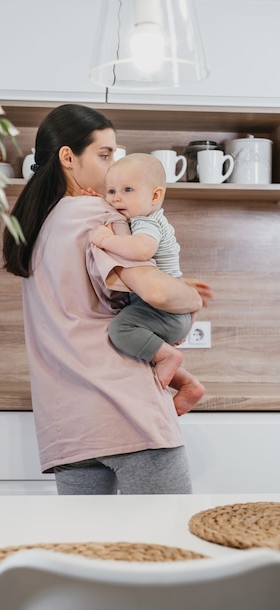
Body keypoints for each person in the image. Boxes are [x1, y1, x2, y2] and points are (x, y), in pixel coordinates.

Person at [3, 104, 212, 496]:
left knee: (88, 550)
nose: (113, 167)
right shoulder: (97, 213)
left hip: (67, 422)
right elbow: (155, 291)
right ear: (68, 157)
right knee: (165, 546)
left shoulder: (35, 225)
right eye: (105, 155)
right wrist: (190, 297)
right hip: (126, 410)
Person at [89, 153, 205, 416]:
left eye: (127, 190)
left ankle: (169, 358)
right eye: (111, 190)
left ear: (155, 196)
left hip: (161, 310)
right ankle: (187, 384)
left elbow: (141, 250)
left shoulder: (146, 222)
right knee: (138, 353)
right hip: (175, 313)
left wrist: (105, 239)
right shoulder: (145, 216)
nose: (116, 197)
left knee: (121, 330)